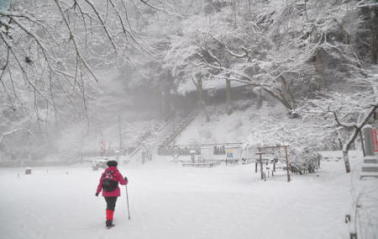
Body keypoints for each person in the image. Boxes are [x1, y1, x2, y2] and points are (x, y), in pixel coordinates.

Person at [95, 160, 128, 228]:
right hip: (114, 193)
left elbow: (101, 183)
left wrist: (98, 191)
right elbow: (122, 182)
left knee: (109, 205)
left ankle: (109, 218)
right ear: (116, 165)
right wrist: (126, 181)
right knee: (111, 206)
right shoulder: (117, 173)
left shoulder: (104, 173)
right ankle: (109, 221)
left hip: (106, 193)